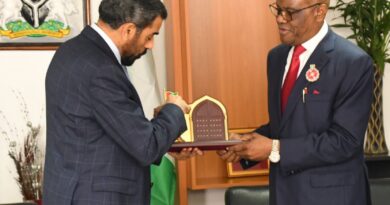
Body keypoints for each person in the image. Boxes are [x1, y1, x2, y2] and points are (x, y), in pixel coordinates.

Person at [43, 0, 201, 204]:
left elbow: (105, 132)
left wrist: (166, 139)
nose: (150, 45)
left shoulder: (72, 50)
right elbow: (145, 147)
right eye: (150, 36)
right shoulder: (101, 69)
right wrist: (174, 109)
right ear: (128, 29)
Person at [219, 0, 373, 205]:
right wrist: (244, 144)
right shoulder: (276, 57)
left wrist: (274, 149)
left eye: (290, 12)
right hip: (284, 194)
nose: (280, 18)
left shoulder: (353, 62)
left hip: (331, 197)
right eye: (278, 9)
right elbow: (285, 125)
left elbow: (345, 141)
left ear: (319, 11)